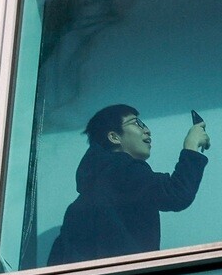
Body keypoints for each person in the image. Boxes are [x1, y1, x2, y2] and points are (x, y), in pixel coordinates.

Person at [48, 104, 210, 265]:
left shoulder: (89, 193)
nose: (147, 130)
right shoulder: (122, 169)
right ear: (114, 137)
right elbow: (176, 193)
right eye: (136, 123)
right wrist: (191, 145)